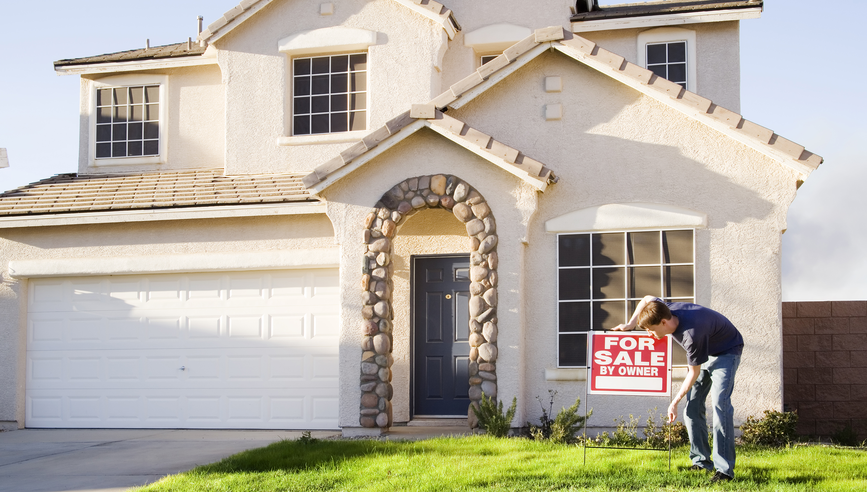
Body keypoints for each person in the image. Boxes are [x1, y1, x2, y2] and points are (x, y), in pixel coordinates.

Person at [612, 295, 743, 483]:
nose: (649, 333)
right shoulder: (663, 308)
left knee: (720, 406)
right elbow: (647, 298)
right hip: (706, 349)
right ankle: (701, 462)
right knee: (692, 408)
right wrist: (630, 324)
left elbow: (693, 373)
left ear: (664, 322)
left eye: (650, 329)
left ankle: (725, 471)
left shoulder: (692, 334)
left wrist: (674, 402)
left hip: (726, 350)